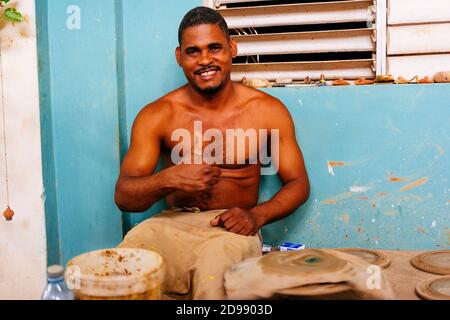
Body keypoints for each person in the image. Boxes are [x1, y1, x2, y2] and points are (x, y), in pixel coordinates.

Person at [115, 6, 310, 300]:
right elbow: (124, 197)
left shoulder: (267, 110)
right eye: (193, 51)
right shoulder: (157, 115)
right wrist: (170, 178)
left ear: (232, 48)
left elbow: (298, 183)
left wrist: (256, 216)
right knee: (124, 266)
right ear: (179, 56)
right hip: (169, 224)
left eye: (214, 48)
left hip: (231, 231)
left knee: (214, 276)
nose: (205, 60)